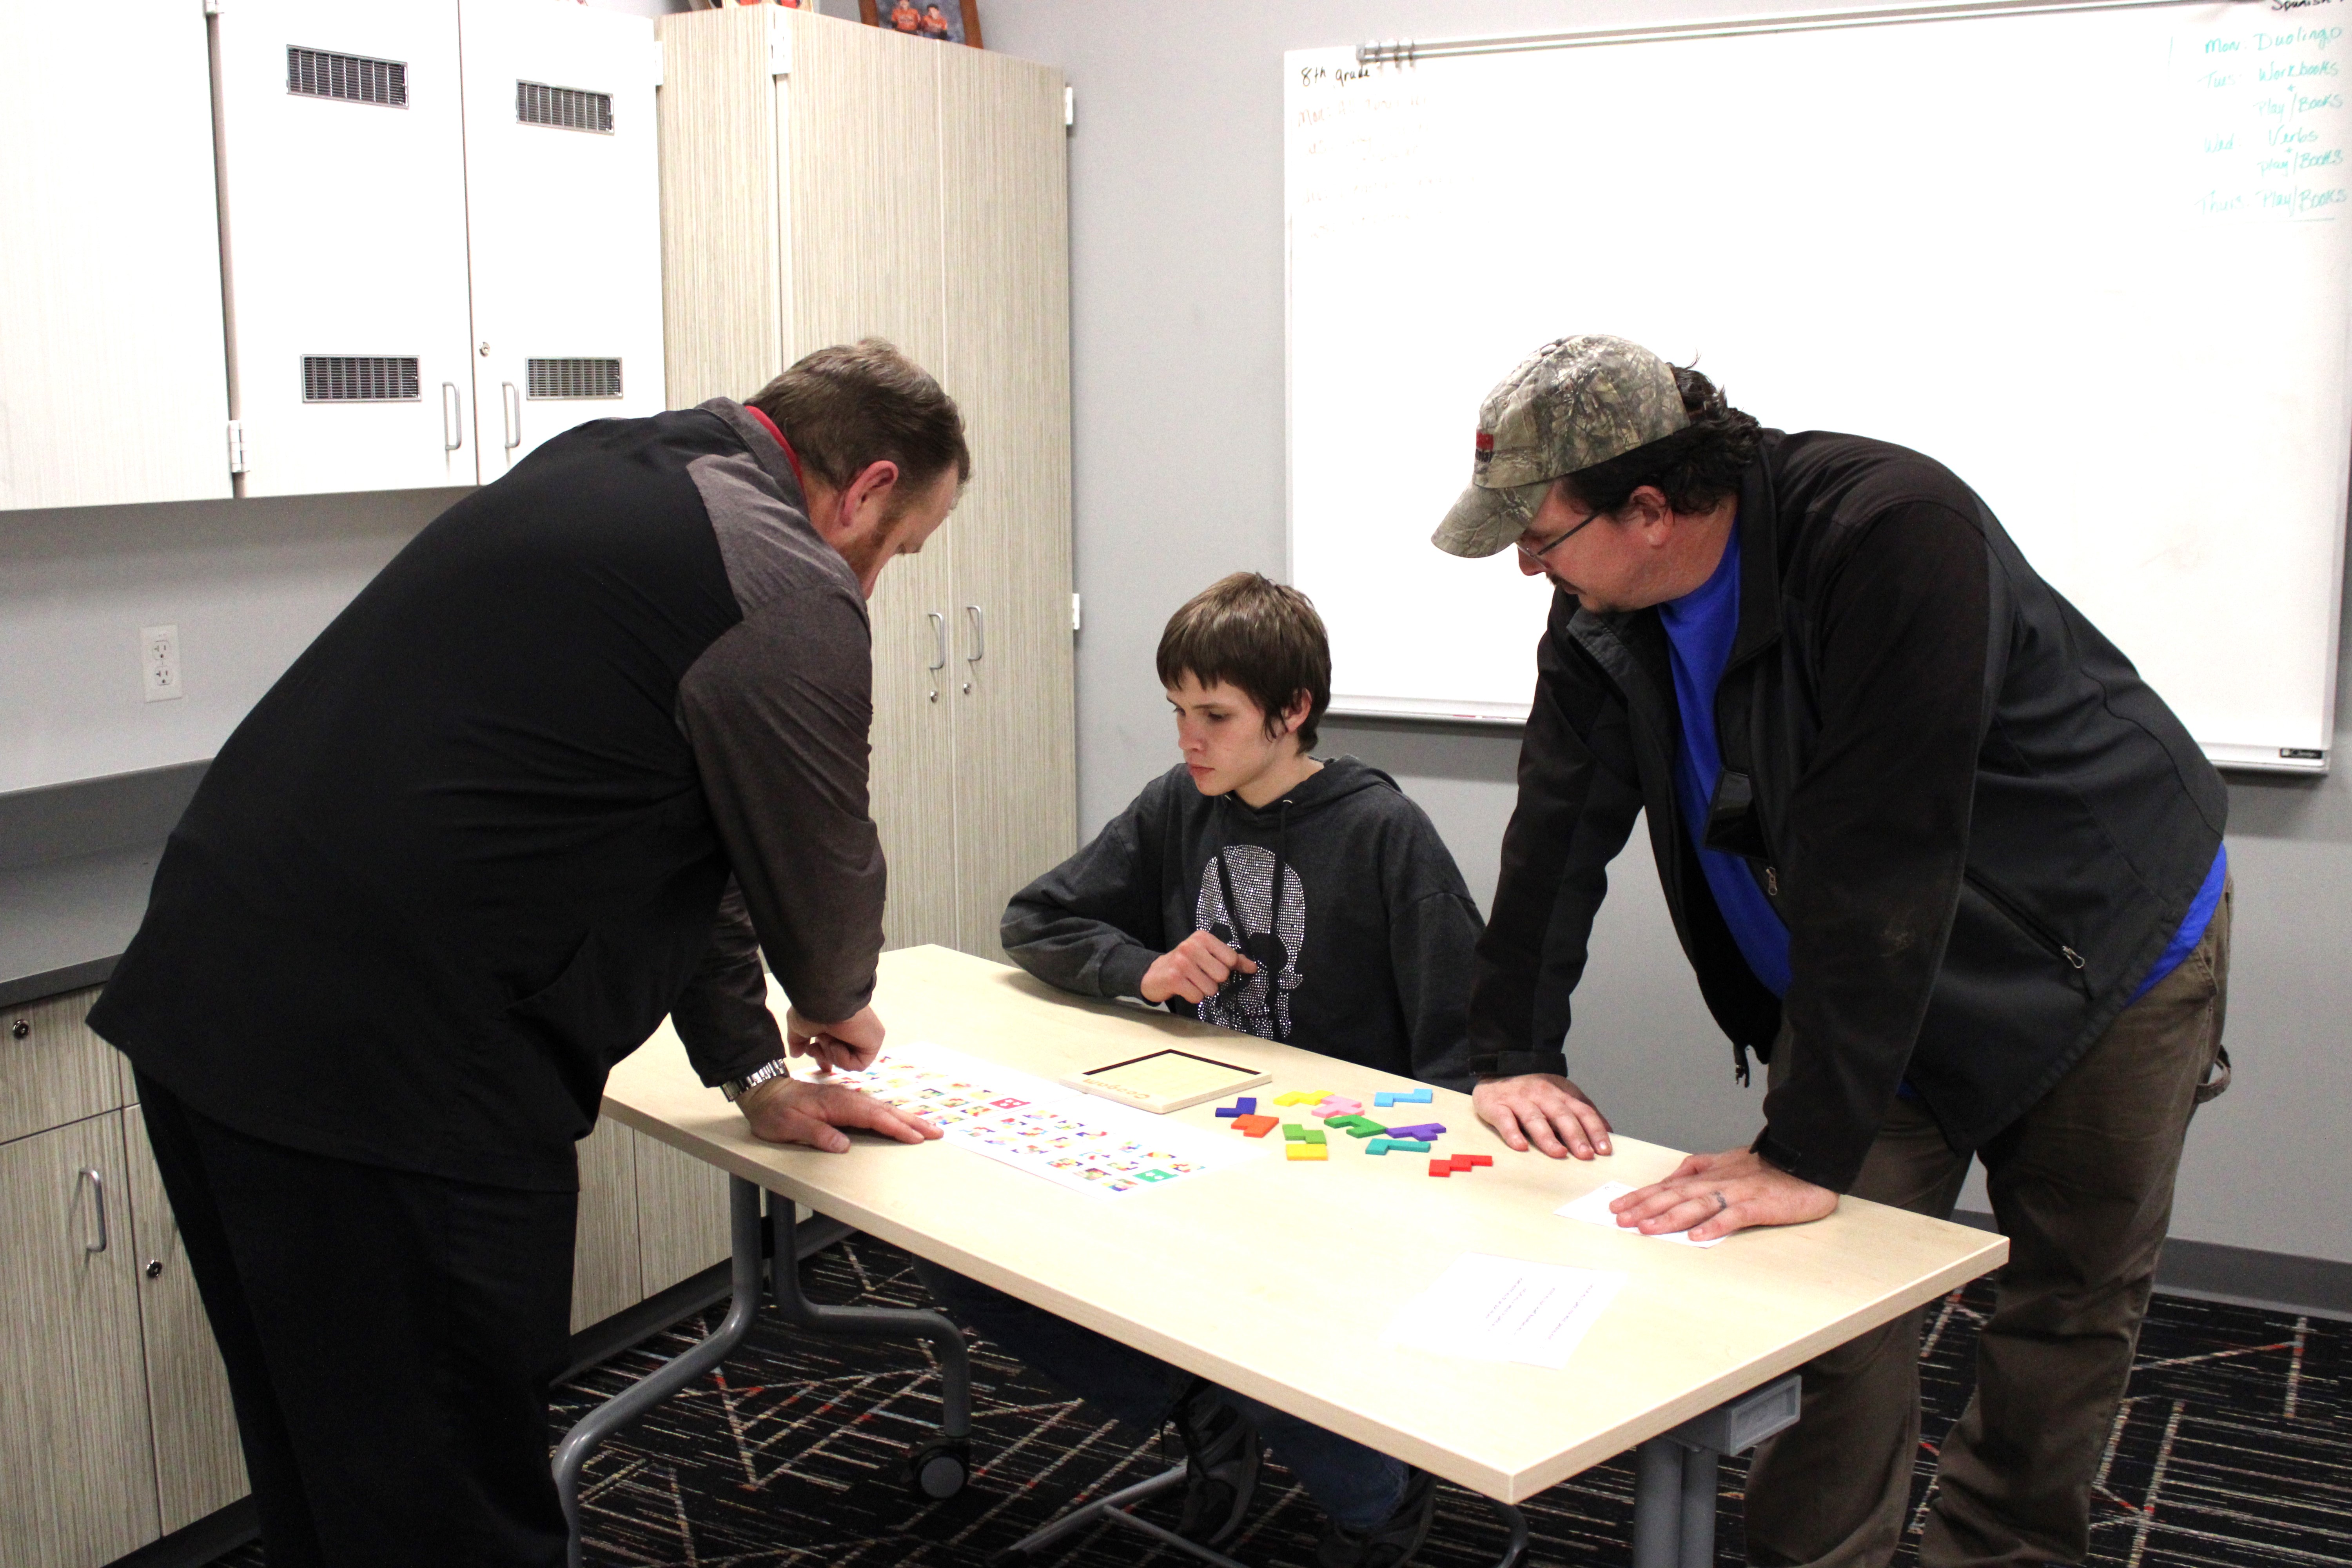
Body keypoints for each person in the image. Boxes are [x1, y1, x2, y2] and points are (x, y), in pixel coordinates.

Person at [87, 340, 969, 1568]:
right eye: (896, 551)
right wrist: (836, 1001)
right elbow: (814, 872)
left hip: (212, 1006)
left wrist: (755, 1072)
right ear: (867, 487)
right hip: (393, 1078)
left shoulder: (608, 464)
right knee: (448, 1503)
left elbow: (689, 836)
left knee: (330, 1474)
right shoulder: (781, 573)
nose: (872, 585)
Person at [1432, 334, 2232, 1568]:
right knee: (1818, 1306)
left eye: (1539, 534)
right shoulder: (1601, 608)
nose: (1529, 565)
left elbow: (1885, 852)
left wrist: (1803, 1148)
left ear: (1651, 510)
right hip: (1872, 981)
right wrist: (1514, 1050)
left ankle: (1999, 1549)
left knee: (2064, 1304)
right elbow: (1558, 823)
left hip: (2098, 951)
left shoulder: (1889, 534)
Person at [921, 571, 1485, 1568]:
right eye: (1178, 710)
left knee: (1265, 1318)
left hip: (1330, 1166)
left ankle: (1375, 1502)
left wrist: (1417, 1192)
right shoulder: (1180, 804)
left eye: (1215, 714)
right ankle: (1204, 1403)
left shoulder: (1382, 831)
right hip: (1197, 1129)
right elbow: (1035, 918)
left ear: (1293, 711)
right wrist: (1144, 967)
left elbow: (1462, 1041)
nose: (1189, 738)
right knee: (965, 1251)